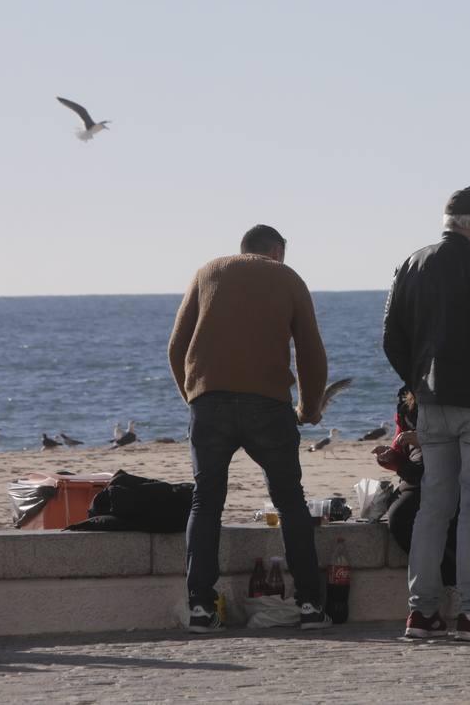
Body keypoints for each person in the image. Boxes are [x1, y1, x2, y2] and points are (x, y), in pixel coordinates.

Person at [168, 224, 332, 633]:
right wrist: (308, 407)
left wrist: (193, 396)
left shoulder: (208, 272)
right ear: (277, 251)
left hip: (210, 403)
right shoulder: (287, 277)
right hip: (268, 406)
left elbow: (177, 346)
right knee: (290, 502)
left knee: (205, 502)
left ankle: (201, 609)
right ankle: (311, 606)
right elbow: (311, 351)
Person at [383, 187, 470, 642]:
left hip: (431, 404)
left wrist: (418, 380)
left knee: (433, 507)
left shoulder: (411, 264)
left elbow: (392, 336)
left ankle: (422, 613)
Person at [375, 387, 470, 620]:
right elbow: (401, 441)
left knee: (456, 513)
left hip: (450, 464)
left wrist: (422, 439)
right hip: (419, 469)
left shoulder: (457, 392)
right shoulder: (407, 397)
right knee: (403, 515)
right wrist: (393, 457)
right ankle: (440, 602)